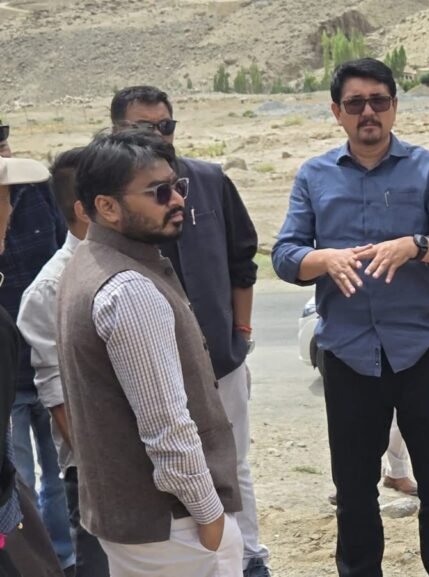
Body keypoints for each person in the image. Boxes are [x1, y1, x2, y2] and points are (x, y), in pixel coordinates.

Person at [272, 58, 429, 577]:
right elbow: (285, 255)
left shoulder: (428, 168)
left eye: (378, 101)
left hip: (422, 351)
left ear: (394, 107)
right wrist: (324, 259)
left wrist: (416, 246)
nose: (368, 112)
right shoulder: (314, 176)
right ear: (336, 111)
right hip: (348, 355)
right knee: (354, 489)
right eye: (356, 103)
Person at [56, 130, 243, 576]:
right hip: (173, 527)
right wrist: (209, 517)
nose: (177, 200)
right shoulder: (129, 290)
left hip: (142, 525)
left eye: (178, 186)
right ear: (107, 207)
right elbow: (167, 428)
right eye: (159, 192)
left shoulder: (88, 260)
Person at [109, 86, 269, 577]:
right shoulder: (114, 201)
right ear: (116, 131)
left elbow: (243, 260)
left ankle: (250, 559)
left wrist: (240, 333)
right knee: (171, 465)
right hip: (153, 366)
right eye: (144, 128)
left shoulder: (208, 180)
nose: (159, 136)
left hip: (220, 358)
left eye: (166, 126)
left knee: (234, 464)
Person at [18, 147, 111, 577]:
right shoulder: (51, 288)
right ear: (87, 208)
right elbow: (58, 396)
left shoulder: (140, 261)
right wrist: (101, 467)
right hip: (99, 469)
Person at [0, 120, 75, 574]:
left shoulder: (38, 191)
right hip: (12, 374)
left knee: (58, 471)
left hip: (44, 357)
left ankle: (62, 558)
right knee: (18, 480)